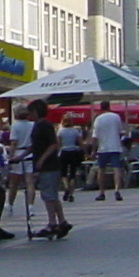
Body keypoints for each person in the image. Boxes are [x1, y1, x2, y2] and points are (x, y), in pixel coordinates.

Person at [27, 102, 70, 239]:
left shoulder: (44, 125)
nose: (29, 115)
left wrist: (41, 160)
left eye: (31, 112)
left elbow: (53, 145)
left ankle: (52, 223)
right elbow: (35, 146)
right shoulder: (38, 125)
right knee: (52, 194)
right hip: (47, 164)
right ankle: (61, 221)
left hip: (48, 166)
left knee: (48, 195)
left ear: (36, 111)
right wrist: (21, 155)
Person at [90, 101, 126, 200]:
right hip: (115, 146)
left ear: (101, 108)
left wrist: (93, 150)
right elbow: (120, 131)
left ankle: (102, 192)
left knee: (101, 170)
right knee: (116, 169)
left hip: (102, 148)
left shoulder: (98, 119)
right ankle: (117, 190)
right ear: (109, 107)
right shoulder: (116, 117)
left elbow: (95, 137)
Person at [56, 116, 83, 201]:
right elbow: (80, 142)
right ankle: (71, 194)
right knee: (72, 173)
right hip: (74, 152)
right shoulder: (75, 131)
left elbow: (58, 143)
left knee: (63, 173)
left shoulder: (60, 131)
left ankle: (67, 187)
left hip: (64, 152)